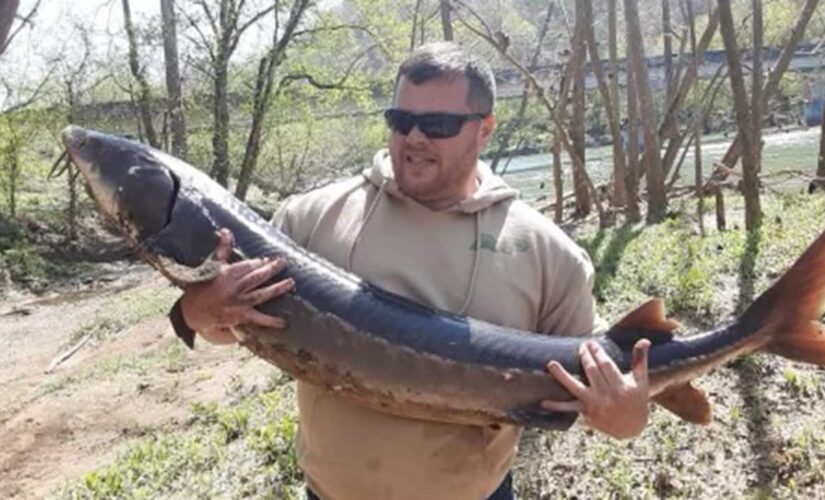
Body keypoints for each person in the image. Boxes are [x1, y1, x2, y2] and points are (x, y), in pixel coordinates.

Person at [171, 42, 651, 500]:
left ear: (485, 129)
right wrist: (197, 312)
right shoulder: (311, 217)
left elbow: (596, 387)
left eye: (438, 123)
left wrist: (627, 419)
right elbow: (237, 328)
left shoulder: (547, 252)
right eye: (401, 120)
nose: (415, 137)